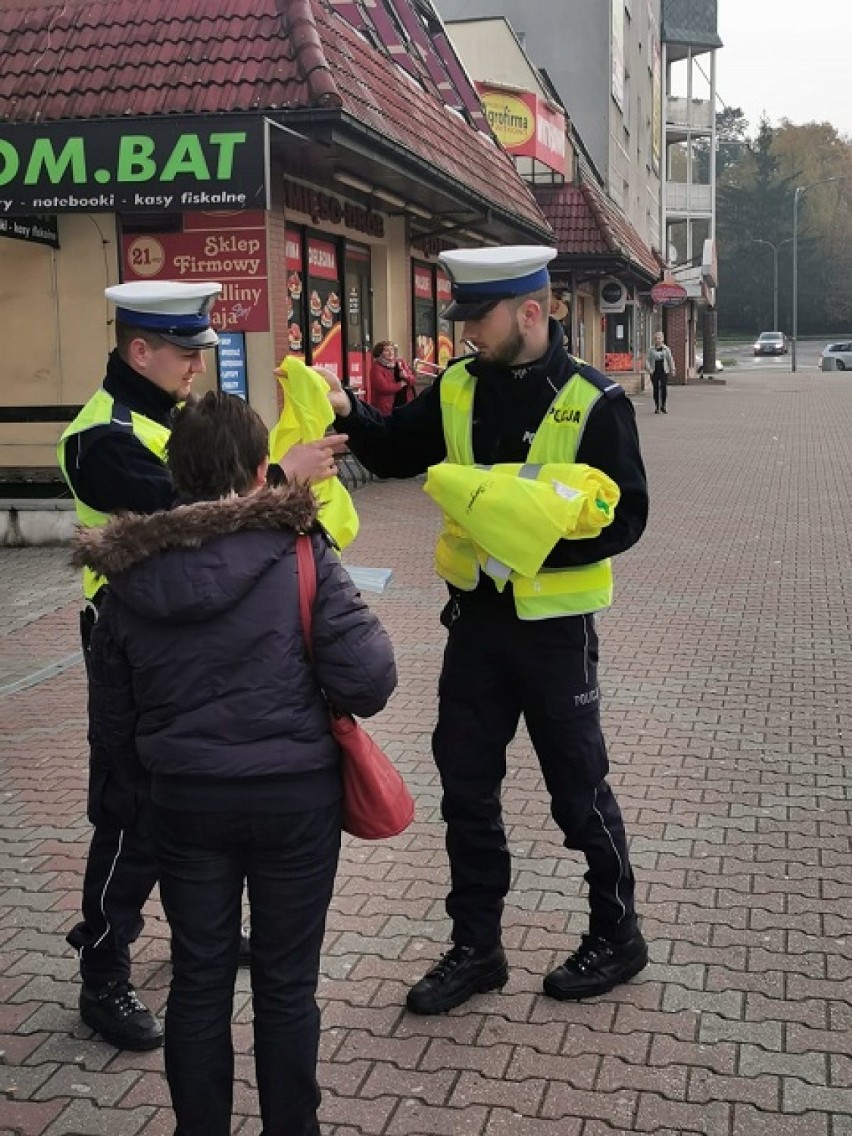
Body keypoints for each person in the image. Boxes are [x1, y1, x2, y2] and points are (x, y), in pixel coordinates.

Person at [323, 245, 650, 1013]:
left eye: (480, 317)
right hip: (475, 630)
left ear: (530, 313)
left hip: (555, 632)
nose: (467, 332)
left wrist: (526, 537)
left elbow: (628, 517)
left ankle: (619, 933)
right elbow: (400, 449)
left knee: (579, 792)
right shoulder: (459, 387)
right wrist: (349, 413)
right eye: (463, 317)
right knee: (467, 792)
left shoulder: (595, 402)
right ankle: (477, 948)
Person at [72, 391, 396, 1135]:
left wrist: (140, 793)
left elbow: (112, 724)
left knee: (198, 981)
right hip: (295, 798)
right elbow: (370, 681)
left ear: (174, 472)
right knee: (286, 986)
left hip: (183, 803)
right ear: (260, 472)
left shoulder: (126, 577)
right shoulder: (304, 548)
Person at [57, 280, 347, 1051]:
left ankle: (211, 930)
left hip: (213, 624)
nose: (196, 367)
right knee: (134, 806)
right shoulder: (103, 436)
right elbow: (187, 525)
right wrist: (280, 480)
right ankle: (104, 967)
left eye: (199, 352)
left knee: (214, 788)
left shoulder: (173, 419)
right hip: (138, 641)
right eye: (185, 353)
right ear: (139, 349)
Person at [367, 340, 416, 414]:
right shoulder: (376, 368)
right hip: (386, 406)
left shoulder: (400, 362)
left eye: (392, 350)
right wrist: (401, 384)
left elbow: (412, 380)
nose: (391, 353)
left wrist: (405, 376)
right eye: (387, 351)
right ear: (379, 353)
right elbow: (384, 388)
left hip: (405, 403)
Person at [646, 329, 674, 413]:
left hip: (663, 370)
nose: (658, 340)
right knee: (656, 389)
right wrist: (649, 369)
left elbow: (670, 359)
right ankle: (657, 406)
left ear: (662, 339)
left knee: (663, 387)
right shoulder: (651, 350)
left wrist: (672, 369)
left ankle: (663, 405)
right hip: (655, 371)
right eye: (656, 338)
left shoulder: (666, 349)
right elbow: (647, 360)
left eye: (659, 338)